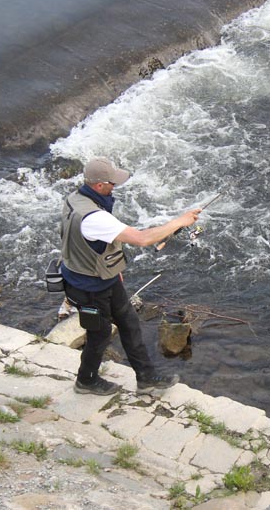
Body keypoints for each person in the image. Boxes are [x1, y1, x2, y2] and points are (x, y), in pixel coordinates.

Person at [60, 158, 201, 395]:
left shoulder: (75, 198)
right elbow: (142, 239)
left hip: (102, 277)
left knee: (129, 323)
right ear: (99, 185)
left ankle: (146, 378)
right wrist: (180, 221)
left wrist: (113, 270)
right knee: (100, 334)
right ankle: (86, 380)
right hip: (89, 287)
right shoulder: (94, 217)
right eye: (112, 183)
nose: (115, 187)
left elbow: (83, 242)